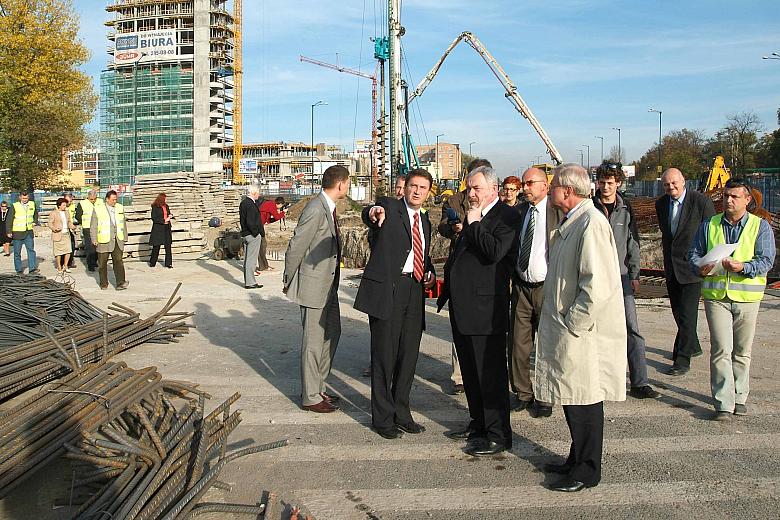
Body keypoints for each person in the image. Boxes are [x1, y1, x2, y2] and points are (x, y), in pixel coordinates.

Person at [534, 164, 627, 492]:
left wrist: (574, 322)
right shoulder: (573, 222)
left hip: (582, 334)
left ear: (567, 191)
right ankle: (575, 458)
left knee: (585, 400)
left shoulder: (591, 224)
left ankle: (587, 470)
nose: (550, 191)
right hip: (571, 331)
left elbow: (597, 285)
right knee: (573, 398)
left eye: (554, 186)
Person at [437, 165, 520, 456]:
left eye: (476, 189)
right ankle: (479, 423)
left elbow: (494, 252)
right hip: (463, 307)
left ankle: (498, 434)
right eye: (468, 189)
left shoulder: (507, 216)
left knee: (490, 374)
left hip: (486, 309)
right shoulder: (474, 214)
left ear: (493, 190)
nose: (470, 194)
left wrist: (473, 224)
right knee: (471, 372)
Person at [355, 168, 437, 438]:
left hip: (413, 291)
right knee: (384, 356)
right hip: (387, 290)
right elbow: (370, 211)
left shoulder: (425, 222)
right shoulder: (390, 208)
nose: (416, 191)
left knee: (407, 356)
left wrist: (429, 272)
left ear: (428, 192)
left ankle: (402, 413)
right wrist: (372, 213)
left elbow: (421, 256)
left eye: (422, 188)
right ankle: (383, 419)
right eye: (413, 186)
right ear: (405, 187)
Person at [689, 178, 775, 421]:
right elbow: (693, 254)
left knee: (741, 350)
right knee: (720, 349)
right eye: (726, 196)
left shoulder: (760, 227)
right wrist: (700, 267)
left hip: (747, 297)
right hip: (716, 297)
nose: (728, 200)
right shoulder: (710, 224)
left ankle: (739, 396)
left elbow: (766, 260)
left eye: (734, 197)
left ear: (747, 200)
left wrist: (742, 267)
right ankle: (723, 403)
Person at [284, 165, 350, 413]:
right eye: (348, 183)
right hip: (313, 286)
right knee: (313, 342)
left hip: (328, 284)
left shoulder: (328, 208)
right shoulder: (315, 209)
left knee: (333, 332)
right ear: (341, 184)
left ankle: (318, 386)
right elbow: (296, 245)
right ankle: (311, 397)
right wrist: (289, 279)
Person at [592, 163, 660, 400]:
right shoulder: (590, 207)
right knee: (596, 331)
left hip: (621, 279)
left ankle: (640, 382)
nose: (606, 187)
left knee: (632, 329)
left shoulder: (625, 208)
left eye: (610, 182)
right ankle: (598, 380)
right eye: (602, 182)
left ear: (619, 183)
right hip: (595, 279)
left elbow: (633, 243)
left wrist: (635, 275)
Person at [509, 167, 562, 417]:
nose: (525, 188)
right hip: (521, 286)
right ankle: (522, 393)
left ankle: (545, 395)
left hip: (547, 288)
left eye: (530, 183)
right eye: (523, 183)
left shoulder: (558, 213)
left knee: (546, 346)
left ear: (545, 186)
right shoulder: (520, 212)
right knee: (518, 344)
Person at [438, 158, 492, 395]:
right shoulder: (453, 200)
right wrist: (454, 228)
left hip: (485, 269)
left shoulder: (494, 202)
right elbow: (442, 226)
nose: (472, 190)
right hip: (460, 266)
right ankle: (460, 376)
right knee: (458, 323)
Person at [655, 168, 715, 375]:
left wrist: (709, 262)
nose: (671, 187)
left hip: (693, 268)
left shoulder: (700, 202)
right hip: (672, 267)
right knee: (678, 312)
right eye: (666, 184)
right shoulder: (661, 204)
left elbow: (711, 233)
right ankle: (693, 345)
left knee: (688, 315)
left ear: (684, 181)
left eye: (674, 183)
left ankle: (682, 359)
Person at [90, 190, 128, 290]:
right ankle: (104, 283)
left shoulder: (120, 207)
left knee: (118, 261)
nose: (114, 201)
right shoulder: (98, 209)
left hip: (117, 239)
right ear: (107, 199)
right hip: (103, 240)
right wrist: (94, 238)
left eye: (116, 199)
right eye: (112, 200)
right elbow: (93, 225)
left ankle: (120, 283)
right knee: (102, 263)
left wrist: (125, 237)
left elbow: (123, 223)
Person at [5, 190, 39, 274]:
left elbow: (35, 214)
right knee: (17, 252)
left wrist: (35, 221)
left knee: (31, 250)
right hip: (17, 232)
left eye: (26, 198)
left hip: (28, 232)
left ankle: (32, 268)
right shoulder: (15, 206)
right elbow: (9, 219)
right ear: (20, 197)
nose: (25, 199)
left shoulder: (32, 204)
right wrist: (9, 231)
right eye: (23, 198)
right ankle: (19, 269)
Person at [239, 185, 264, 289]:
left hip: (245, 233)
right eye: (258, 193)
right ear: (254, 193)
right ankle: (250, 282)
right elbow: (250, 221)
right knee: (251, 260)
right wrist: (256, 233)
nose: (259, 194)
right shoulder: (250, 205)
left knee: (247, 259)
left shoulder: (244, 203)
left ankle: (249, 281)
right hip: (251, 234)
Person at [257, 196, 286, 273]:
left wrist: (280, 215)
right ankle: (263, 266)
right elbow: (276, 216)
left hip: (259, 225)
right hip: (258, 226)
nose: (280, 208)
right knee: (262, 246)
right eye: (281, 206)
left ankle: (264, 265)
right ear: (279, 204)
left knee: (262, 245)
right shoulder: (271, 205)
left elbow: (270, 219)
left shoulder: (269, 204)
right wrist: (283, 213)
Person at [74, 189, 101, 271]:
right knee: (90, 247)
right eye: (91, 199)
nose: (93, 201)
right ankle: (90, 265)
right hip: (87, 227)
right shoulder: (82, 204)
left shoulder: (100, 202)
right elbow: (78, 216)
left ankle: (95, 261)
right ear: (88, 197)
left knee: (98, 246)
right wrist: (83, 222)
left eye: (94, 199)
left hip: (99, 227)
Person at [48, 198, 75, 273]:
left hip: (66, 234)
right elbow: (50, 223)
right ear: (59, 205)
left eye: (65, 205)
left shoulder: (67, 212)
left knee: (68, 250)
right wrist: (54, 228)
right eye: (63, 205)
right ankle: (59, 266)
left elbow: (69, 221)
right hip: (58, 234)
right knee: (58, 252)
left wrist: (72, 226)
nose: (65, 206)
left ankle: (65, 265)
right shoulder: (53, 213)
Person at [148, 193, 173, 268]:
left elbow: (168, 213)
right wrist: (163, 220)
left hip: (166, 228)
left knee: (168, 246)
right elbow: (154, 218)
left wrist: (170, 216)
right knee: (156, 246)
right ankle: (152, 262)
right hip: (158, 229)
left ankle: (168, 263)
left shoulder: (166, 206)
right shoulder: (155, 207)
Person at [63, 193, 77, 268]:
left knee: (72, 246)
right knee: (64, 247)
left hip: (71, 228)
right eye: (67, 201)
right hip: (63, 229)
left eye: (70, 201)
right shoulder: (59, 207)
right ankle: (63, 263)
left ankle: (70, 262)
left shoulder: (72, 206)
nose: (69, 203)